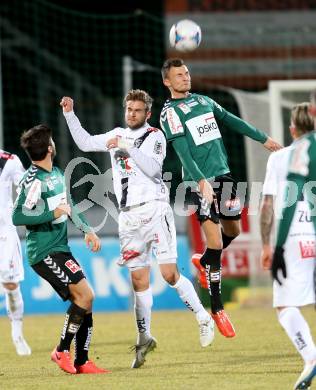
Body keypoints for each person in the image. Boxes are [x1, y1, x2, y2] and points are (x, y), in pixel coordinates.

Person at [60, 89, 214, 369]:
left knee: (168, 274)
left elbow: (154, 169)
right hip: (128, 218)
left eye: (137, 110)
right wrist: (69, 114)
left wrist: (127, 146)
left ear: (147, 113)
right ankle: (144, 339)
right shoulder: (117, 133)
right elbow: (84, 143)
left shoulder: (154, 135)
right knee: (139, 282)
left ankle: (203, 318)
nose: (131, 114)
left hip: (154, 209)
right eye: (129, 109)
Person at [160, 58, 282, 338]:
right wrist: (201, 180)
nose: (185, 78)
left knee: (234, 230)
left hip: (223, 176)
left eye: (187, 73)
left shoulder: (204, 101)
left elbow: (232, 121)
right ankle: (217, 308)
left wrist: (262, 138)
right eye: (179, 75)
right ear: (167, 81)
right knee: (215, 241)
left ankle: (204, 262)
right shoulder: (169, 113)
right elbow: (182, 152)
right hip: (197, 181)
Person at [12, 125, 109, 375]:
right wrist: (51, 213)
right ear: (48, 148)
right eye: (52, 140)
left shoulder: (55, 172)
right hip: (44, 252)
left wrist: (87, 229)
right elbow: (18, 215)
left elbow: (69, 206)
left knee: (86, 301)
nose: (54, 143)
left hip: (60, 249)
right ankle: (61, 351)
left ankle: (82, 361)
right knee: (85, 297)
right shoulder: (33, 181)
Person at [261, 102, 316, 390]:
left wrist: (268, 245)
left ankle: (311, 357)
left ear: (292, 129)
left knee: (285, 305)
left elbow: (268, 204)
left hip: (293, 236)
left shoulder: (281, 157)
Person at [0, 149, 31, 356]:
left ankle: (17, 333)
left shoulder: (9, 161)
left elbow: (27, 187)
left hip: (3, 233)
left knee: (11, 284)